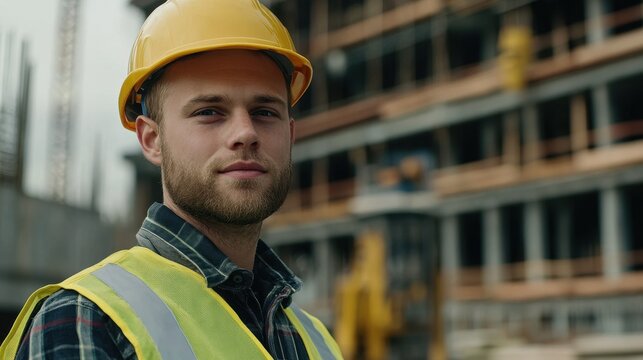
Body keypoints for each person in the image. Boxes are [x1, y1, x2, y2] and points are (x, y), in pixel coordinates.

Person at [0, 0, 342, 358]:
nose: (246, 132)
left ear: (290, 133)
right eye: (209, 111)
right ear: (151, 139)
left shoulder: (317, 340)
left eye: (264, 112)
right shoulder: (87, 322)